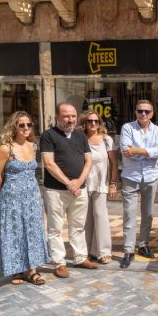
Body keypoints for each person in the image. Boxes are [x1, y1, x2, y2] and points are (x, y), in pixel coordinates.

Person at [0, 111, 49, 285]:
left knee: (32, 232)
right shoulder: (5, 148)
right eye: (21, 124)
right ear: (14, 126)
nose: (25, 128)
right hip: (11, 197)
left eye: (28, 124)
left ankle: (32, 270)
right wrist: (5, 195)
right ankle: (16, 270)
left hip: (32, 197)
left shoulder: (33, 146)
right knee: (14, 233)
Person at [41, 102, 96, 278]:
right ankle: (59, 263)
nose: (70, 119)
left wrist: (79, 182)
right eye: (66, 116)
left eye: (73, 116)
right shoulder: (48, 136)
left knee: (78, 226)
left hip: (79, 190)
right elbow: (49, 163)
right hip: (56, 190)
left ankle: (80, 257)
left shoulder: (81, 136)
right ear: (57, 116)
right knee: (55, 228)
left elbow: (89, 161)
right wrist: (68, 183)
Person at [119, 100, 158, 268]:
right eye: (140, 111)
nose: (143, 114)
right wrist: (149, 153)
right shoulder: (127, 128)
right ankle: (128, 250)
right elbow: (125, 150)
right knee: (129, 214)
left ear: (152, 113)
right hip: (130, 176)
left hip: (151, 177)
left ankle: (143, 245)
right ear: (135, 112)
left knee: (148, 214)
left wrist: (137, 150)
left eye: (147, 111)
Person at [80, 111, 118, 265]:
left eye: (96, 121)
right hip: (84, 182)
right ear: (85, 123)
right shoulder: (80, 139)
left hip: (101, 183)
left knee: (100, 215)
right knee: (86, 218)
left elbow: (114, 163)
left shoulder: (106, 139)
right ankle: (88, 251)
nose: (93, 124)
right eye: (90, 121)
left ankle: (103, 252)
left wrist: (113, 184)